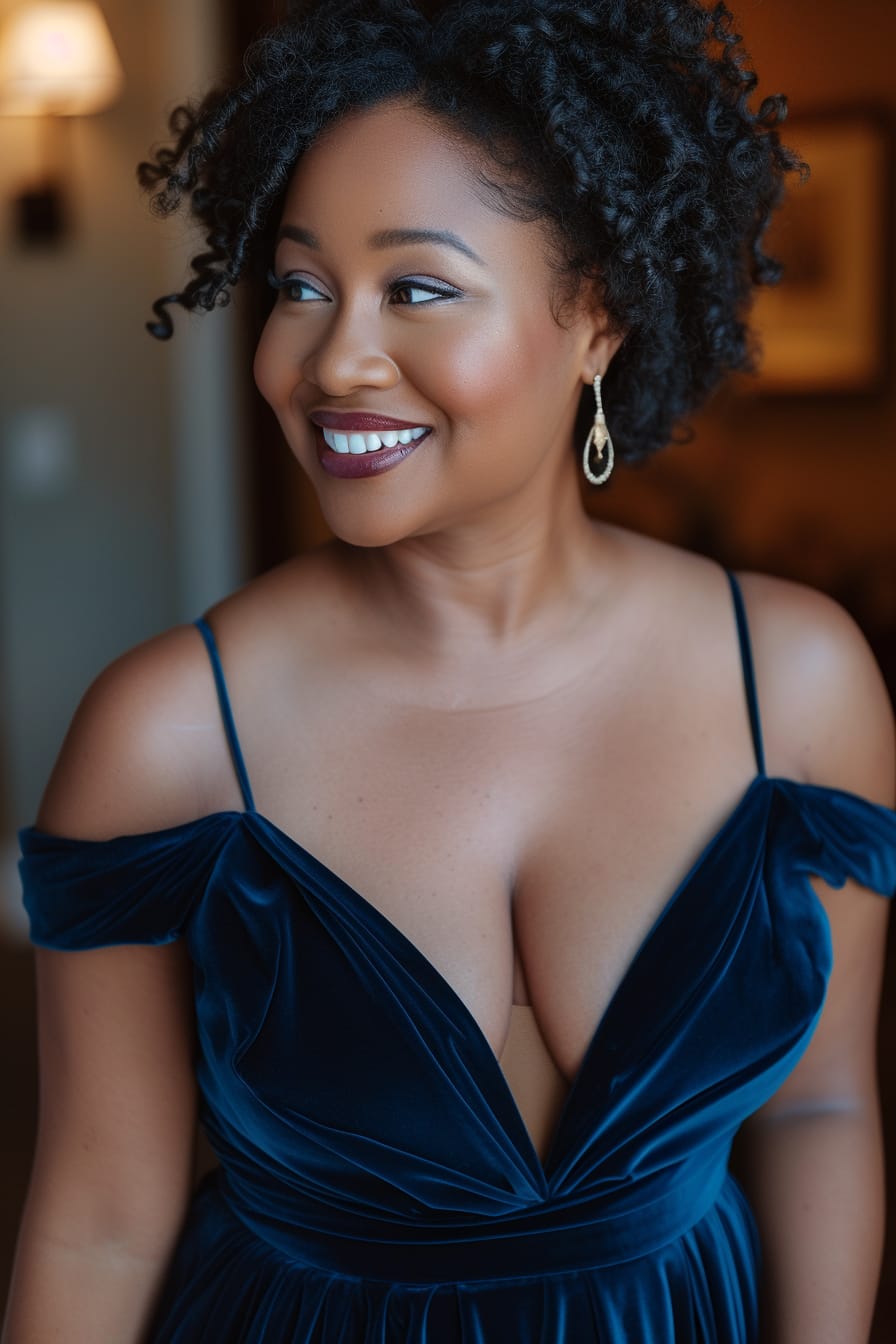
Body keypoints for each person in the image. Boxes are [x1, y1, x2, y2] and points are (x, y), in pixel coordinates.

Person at [3, 1, 895, 1340]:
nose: (334, 359)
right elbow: (97, 1217)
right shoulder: (170, 733)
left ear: (596, 318)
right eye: (302, 286)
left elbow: (823, 1107)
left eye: (417, 288)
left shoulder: (801, 683)